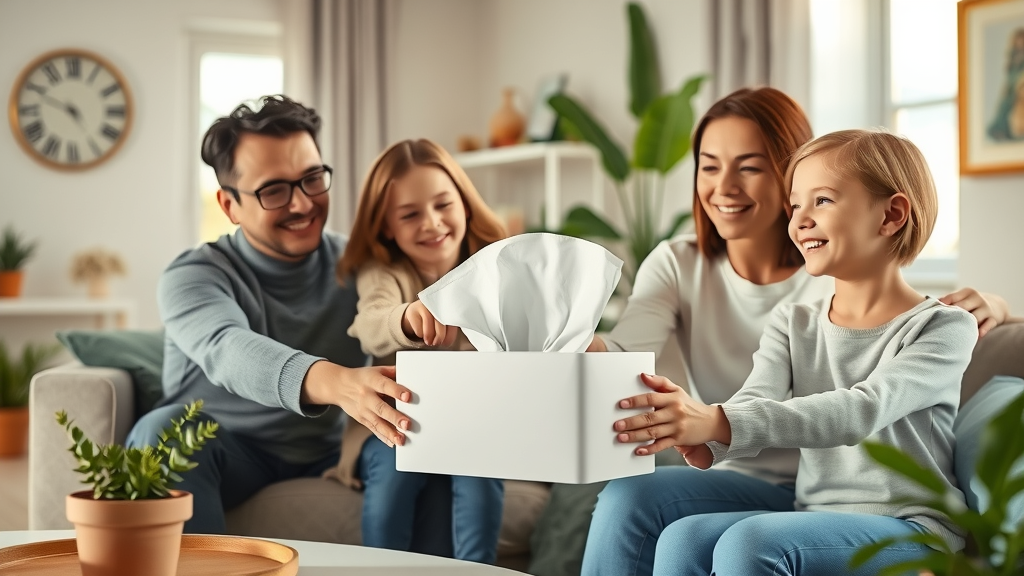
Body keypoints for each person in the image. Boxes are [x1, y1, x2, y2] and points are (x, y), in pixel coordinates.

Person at [581, 87, 1012, 576]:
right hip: (813, 513)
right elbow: (753, 397)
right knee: (683, 538)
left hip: (911, 527)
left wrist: (717, 420)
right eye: (795, 204)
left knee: (750, 543)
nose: (799, 220)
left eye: (822, 201)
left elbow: (860, 409)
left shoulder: (941, 327)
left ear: (891, 215)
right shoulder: (793, 322)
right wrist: (707, 438)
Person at [126, 96, 451, 553]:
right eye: (273, 190)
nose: (302, 203)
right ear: (230, 205)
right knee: (162, 433)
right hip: (226, 451)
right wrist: (337, 383)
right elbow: (226, 347)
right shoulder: (193, 276)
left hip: (330, 451)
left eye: (312, 179)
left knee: (423, 441)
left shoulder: (361, 263)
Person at [325, 138, 507, 563]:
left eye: (443, 205)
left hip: (474, 425)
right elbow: (371, 324)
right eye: (410, 214)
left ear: (464, 204)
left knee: (482, 475)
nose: (431, 223)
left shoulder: (494, 265)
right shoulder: (384, 271)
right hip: (398, 425)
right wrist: (406, 317)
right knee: (393, 474)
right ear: (387, 226)